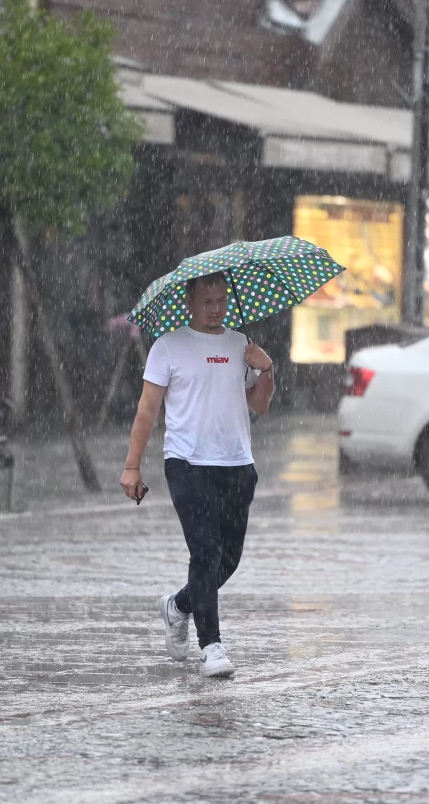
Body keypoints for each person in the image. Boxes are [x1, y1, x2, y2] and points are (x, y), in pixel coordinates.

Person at [120, 272, 275, 678]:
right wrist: (132, 465)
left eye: (221, 299)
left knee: (228, 560)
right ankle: (212, 646)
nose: (215, 308)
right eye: (207, 301)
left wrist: (267, 369)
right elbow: (147, 409)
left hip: (238, 463)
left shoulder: (242, 344)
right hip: (187, 462)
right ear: (190, 302)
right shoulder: (168, 347)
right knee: (205, 554)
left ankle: (178, 605)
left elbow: (258, 405)